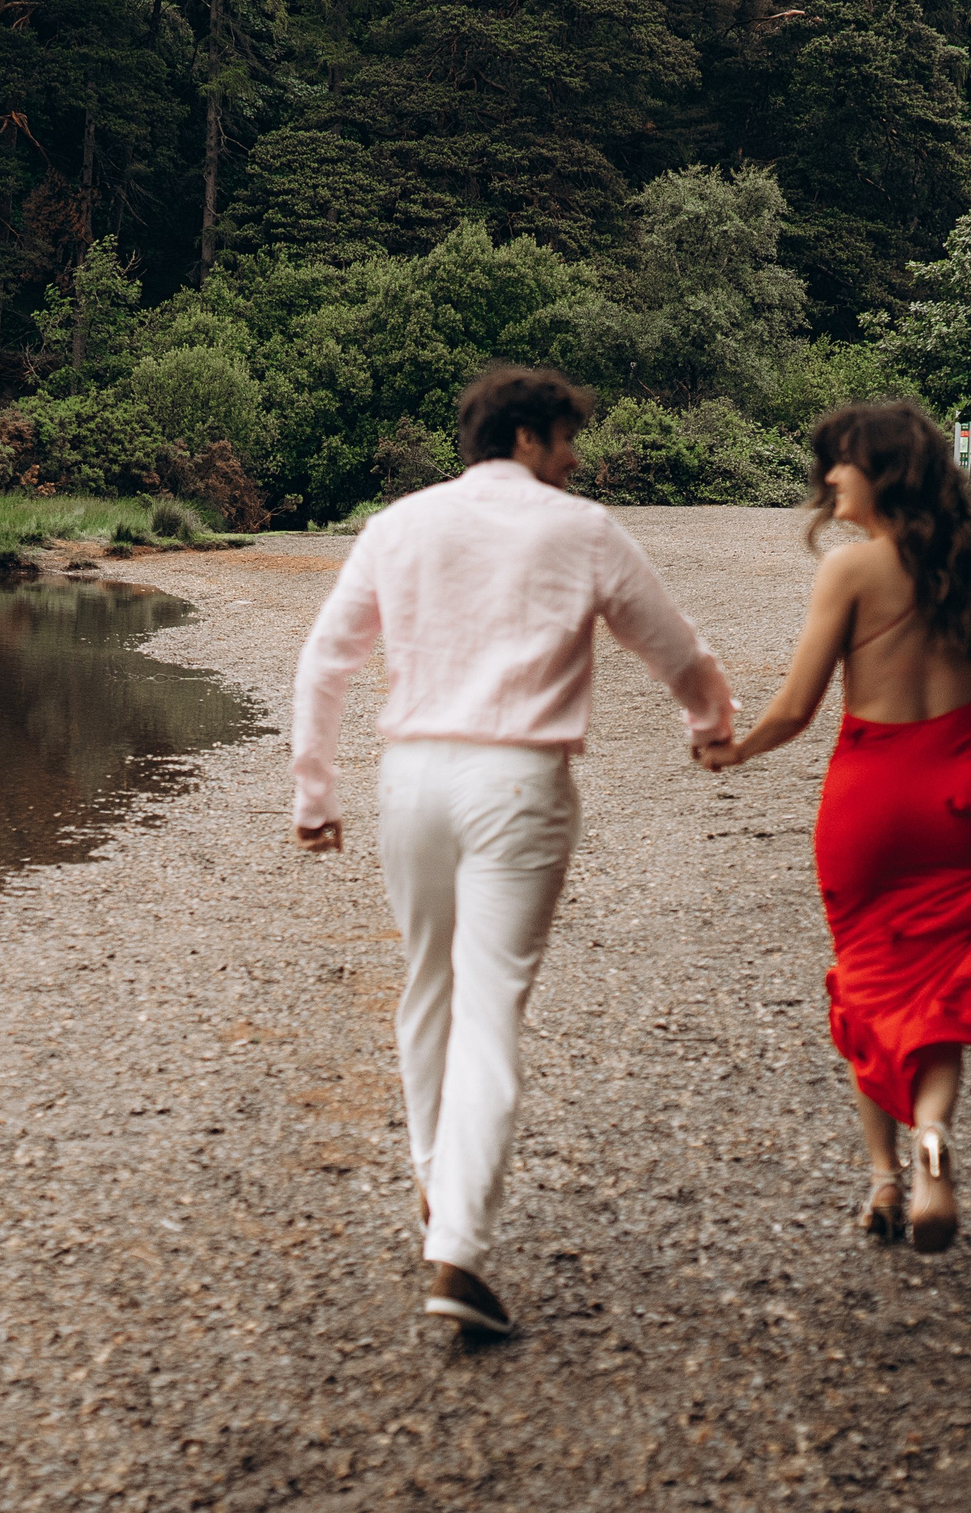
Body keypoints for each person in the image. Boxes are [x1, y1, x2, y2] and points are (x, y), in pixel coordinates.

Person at [291, 364, 737, 1337]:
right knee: (489, 1007)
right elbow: (668, 643)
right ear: (526, 438)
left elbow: (326, 656)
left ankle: (432, 1182)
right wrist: (709, 718)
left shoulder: (398, 524)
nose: (575, 458)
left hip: (410, 777)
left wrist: (312, 788)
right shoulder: (577, 530)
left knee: (426, 987)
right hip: (517, 786)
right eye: (565, 438)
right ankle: (457, 1248)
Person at [697, 401, 971, 1252]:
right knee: (938, 984)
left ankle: (882, 1179)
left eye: (841, 462)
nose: (828, 477)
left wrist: (735, 750)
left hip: (870, 799)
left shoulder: (851, 571)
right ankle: (932, 1155)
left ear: (884, 472)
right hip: (963, 794)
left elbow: (796, 709)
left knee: (866, 979)